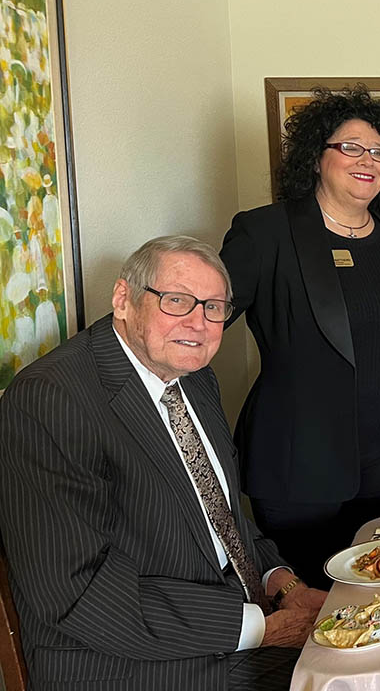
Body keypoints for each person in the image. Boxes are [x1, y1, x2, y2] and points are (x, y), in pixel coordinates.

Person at [0, 236, 327, 690]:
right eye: (177, 301)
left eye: (215, 307)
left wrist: (283, 582)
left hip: (219, 625)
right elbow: (77, 589)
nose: (199, 323)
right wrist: (260, 630)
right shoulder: (52, 398)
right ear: (123, 300)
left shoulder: (192, 377)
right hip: (121, 664)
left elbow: (219, 515)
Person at [220, 85, 380, 588]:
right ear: (316, 156)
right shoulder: (266, 233)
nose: (368, 160)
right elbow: (202, 320)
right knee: (310, 605)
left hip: (377, 459)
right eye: (351, 147)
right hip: (299, 458)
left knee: (362, 594)